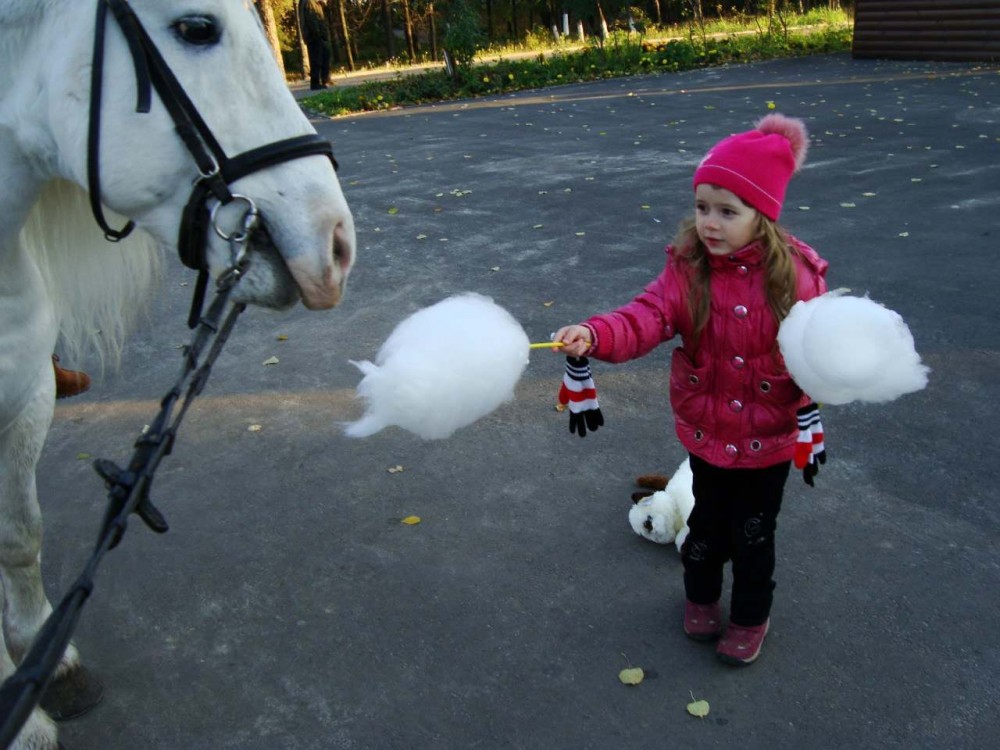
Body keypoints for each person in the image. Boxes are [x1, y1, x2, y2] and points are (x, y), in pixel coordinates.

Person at [554, 114, 829, 666]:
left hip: (768, 442)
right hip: (708, 436)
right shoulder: (687, 271)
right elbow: (646, 316)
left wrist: (818, 395)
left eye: (728, 211)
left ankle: (750, 617)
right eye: (703, 207)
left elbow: (821, 351)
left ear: (763, 215)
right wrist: (595, 334)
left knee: (753, 538)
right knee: (704, 531)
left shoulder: (796, 277)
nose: (710, 223)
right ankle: (701, 599)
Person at [301, 0, 331, 91]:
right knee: (316, 59)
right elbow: (311, 20)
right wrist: (318, 33)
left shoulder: (317, 4)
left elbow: (322, 18)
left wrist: (323, 4)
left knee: (325, 55)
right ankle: (315, 83)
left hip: (320, 35)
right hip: (314, 36)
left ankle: (325, 80)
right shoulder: (309, 2)